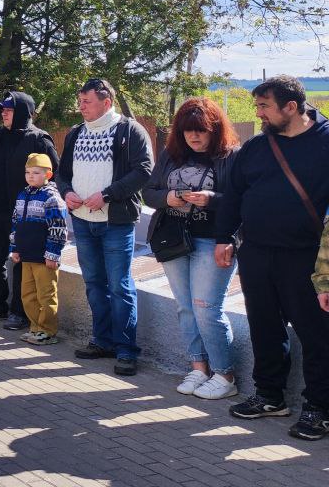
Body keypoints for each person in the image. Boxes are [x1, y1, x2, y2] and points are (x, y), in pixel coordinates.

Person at [216, 75, 329, 441]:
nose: (258, 114)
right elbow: (233, 194)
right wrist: (224, 237)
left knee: (316, 333)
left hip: (307, 257)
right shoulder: (256, 147)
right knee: (264, 325)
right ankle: (269, 396)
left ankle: (320, 407)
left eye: (264, 106)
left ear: (291, 107)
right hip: (257, 252)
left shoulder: (326, 142)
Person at [143, 98, 240, 400]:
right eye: (187, 132)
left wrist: (211, 198)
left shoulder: (231, 156)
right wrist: (169, 197)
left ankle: (225, 375)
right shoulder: (171, 155)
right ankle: (198, 367)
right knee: (185, 306)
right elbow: (148, 193)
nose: (194, 137)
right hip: (173, 239)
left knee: (206, 307)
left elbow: (243, 201)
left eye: (201, 131)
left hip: (214, 240)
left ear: (215, 129)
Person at [55, 77, 153, 376]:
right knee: (95, 284)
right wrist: (66, 191)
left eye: (87, 102)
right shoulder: (75, 134)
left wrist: (108, 195)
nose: (80, 106)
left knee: (119, 286)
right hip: (83, 222)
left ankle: (126, 351)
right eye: (80, 101)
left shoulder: (129, 130)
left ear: (106, 102)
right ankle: (102, 340)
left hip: (116, 222)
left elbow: (144, 170)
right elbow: (62, 173)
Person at [0, 91, 59, 330]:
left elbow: (55, 175)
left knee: (22, 264)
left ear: (23, 112)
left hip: (26, 216)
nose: (4, 114)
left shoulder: (39, 139)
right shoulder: (1, 135)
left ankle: (19, 312)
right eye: (3, 110)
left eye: (9, 111)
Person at [8, 153, 68, 345]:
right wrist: (15, 248)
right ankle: (35, 327)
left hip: (44, 257)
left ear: (48, 175)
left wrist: (53, 253)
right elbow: (16, 224)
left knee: (46, 294)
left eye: (36, 172)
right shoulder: (22, 195)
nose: (30, 176)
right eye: (27, 172)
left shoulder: (52, 198)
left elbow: (58, 228)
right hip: (27, 255)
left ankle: (48, 330)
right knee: (27, 294)